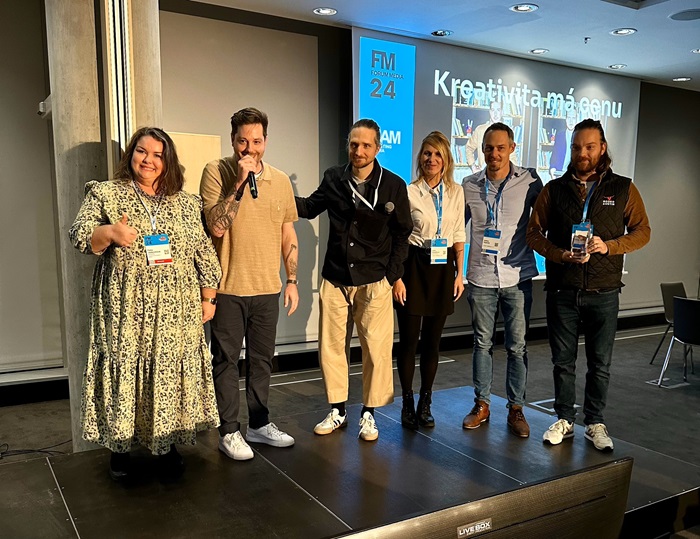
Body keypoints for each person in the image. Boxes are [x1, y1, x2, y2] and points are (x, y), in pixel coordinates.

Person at [69, 127, 222, 481]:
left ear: (169, 161)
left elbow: (203, 251)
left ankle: (166, 445)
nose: (148, 160)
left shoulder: (186, 203)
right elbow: (79, 234)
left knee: (166, 371)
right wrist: (109, 233)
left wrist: (209, 296)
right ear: (131, 154)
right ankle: (120, 448)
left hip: (176, 309)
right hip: (125, 308)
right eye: (142, 151)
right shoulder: (107, 193)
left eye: (157, 154)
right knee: (125, 369)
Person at [527, 118, 650, 451]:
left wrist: (609, 246)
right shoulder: (554, 189)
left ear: (602, 148)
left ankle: (595, 422)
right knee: (562, 362)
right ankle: (564, 419)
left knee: (600, 365)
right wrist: (559, 254)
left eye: (589, 147)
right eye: (577, 147)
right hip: (562, 290)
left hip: (604, 292)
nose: (582, 153)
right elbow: (533, 233)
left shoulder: (623, 188)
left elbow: (642, 231)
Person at [295, 118, 412, 441]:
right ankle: (338, 410)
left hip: (374, 280)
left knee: (376, 350)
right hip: (336, 277)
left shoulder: (393, 185)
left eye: (365, 145)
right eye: (354, 144)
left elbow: (402, 232)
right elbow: (309, 207)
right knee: (332, 347)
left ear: (377, 148)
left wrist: (391, 276)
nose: (358, 151)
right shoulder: (334, 177)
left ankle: (369, 414)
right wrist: (275, 196)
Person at [200, 107, 299, 461]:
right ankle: (229, 431)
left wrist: (291, 279)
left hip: (267, 288)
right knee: (226, 361)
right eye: (243, 141)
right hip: (228, 288)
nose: (250, 149)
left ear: (265, 141)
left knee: (262, 361)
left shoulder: (281, 181)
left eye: (257, 141)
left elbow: (288, 233)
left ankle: (258, 423)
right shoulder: (216, 171)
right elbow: (216, 227)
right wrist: (239, 185)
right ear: (233, 140)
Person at [462, 122, 543, 438]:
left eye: (499, 147)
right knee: (481, 344)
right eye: (488, 148)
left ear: (511, 148)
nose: (493, 154)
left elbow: (548, 219)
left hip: (517, 278)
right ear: (482, 150)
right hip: (481, 277)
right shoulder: (469, 185)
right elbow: (454, 228)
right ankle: (482, 403)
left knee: (517, 347)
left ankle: (516, 408)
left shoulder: (530, 181)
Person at [393, 131, 465, 430]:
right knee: (409, 341)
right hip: (413, 265)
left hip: (443, 267)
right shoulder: (409, 192)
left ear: (446, 160)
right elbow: (398, 238)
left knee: (432, 343)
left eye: (437, 154)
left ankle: (426, 402)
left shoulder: (456, 192)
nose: (431, 159)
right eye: (426, 153)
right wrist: (397, 278)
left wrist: (460, 273)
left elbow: (458, 233)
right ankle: (407, 402)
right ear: (420, 158)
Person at [465, 100, 515, 171]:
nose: (495, 114)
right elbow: (469, 148)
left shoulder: (507, 132)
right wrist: (473, 167)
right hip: (484, 173)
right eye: (493, 110)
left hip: (502, 174)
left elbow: (512, 157)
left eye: (498, 110)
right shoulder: (480, 130)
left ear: (502, 112)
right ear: (489, 112)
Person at [549, 106, 578, 179]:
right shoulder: (560, 136)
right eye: (569, 118)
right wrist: (552, 170)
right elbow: (554, 156)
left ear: (577, 119)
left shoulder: (580, 137)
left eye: (573, 118)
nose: (571, 121)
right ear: (566, 119)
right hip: (560, 174)